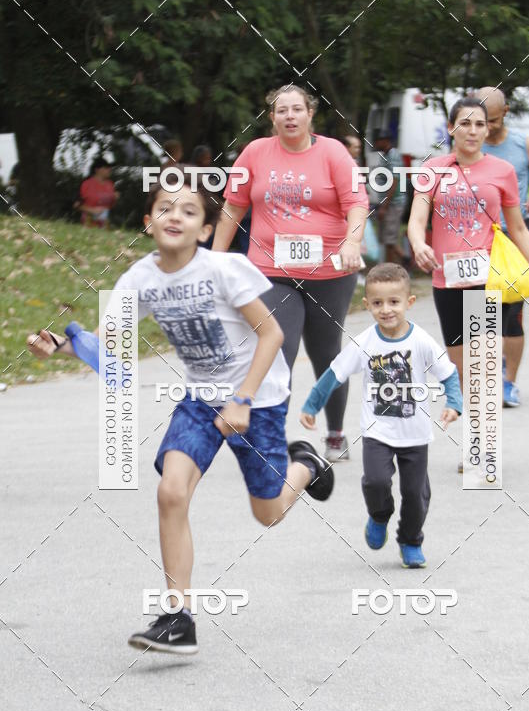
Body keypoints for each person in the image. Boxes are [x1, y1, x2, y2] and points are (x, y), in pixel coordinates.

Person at [26, 165, 333, 655]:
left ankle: (306, 465)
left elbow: (272, 333)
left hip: (260, 400)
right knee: (171, 491)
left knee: (269, 514)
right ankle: (178, 616)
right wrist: (60, 346)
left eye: (189, 210)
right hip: (200, 399)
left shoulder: (222, 269)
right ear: (148, 221)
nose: (176, 215)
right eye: (165, 208)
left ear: (205, 229)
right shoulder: (140, 277)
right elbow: (110, 344)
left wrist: (244, 399)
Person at [211, 85, 369, 462]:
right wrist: (214, 258)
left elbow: (357, 203)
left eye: (297, 109)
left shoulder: (333, 152)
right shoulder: (255, 153)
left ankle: (334, 432)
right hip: (270, 271)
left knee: (326, 352)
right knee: (277, 347)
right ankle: (271, 435)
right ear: (272, 117)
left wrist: (351, 244)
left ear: (310, 114)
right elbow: (233, 207)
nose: (290, 116)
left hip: (329, 270)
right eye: (282, 110)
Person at [407, 97, 529, 469]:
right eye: (465, 124)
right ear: (451, 128)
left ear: (487, 128)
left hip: (486, 279)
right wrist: (418, 243)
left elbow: (518, 227)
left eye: (479, 124)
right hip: (446, 280)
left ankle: (480, 447)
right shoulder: (432, 169)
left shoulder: (503, 170)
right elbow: (416, 218)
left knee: (486, 365)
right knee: (461, 369)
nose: (473, 131)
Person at [300, 263, 462, 568]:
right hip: (377, 432)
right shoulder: (365, 342)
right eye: (377, 303)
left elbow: (448, 373)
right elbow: (335, 372)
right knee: (375, 482)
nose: (386, 310)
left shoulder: (422, 341)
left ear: (409, 302)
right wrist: (312, 404)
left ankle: (410, 541)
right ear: (367, 304)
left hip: (415, 433)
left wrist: (454, 403)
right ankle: (379, 515)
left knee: (415, 494)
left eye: (394, 302)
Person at [478, 86, 529, 407]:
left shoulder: (525, 145)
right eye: (483, 120)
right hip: (476, 240)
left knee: (511, 313)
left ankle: (508, 382)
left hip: (514, 236)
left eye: (493, 120)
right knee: (482, 313)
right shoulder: (468, 145)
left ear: (505, 112)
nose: (488, 127)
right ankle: (484, 374)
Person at [372, 133, 410, 265]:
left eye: (378, 140)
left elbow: (394, 181)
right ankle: (395, 264)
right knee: (387, 239)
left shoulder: (393, 155)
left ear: (386, 140)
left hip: (393, 203)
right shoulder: (386, 155)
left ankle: (405, 259)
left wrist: (385, 205)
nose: (375, 144)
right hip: (388, 203)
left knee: (390, 239)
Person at [77, 157, 119, 228]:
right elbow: (77, 205)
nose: (109, 170)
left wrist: (115, 198)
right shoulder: (86, 184)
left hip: (104, 225)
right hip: (88, 224)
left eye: (109, 168)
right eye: (106, 168)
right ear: (97, 170)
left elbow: (111, 206)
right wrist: (92, 210)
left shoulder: (110, 184)